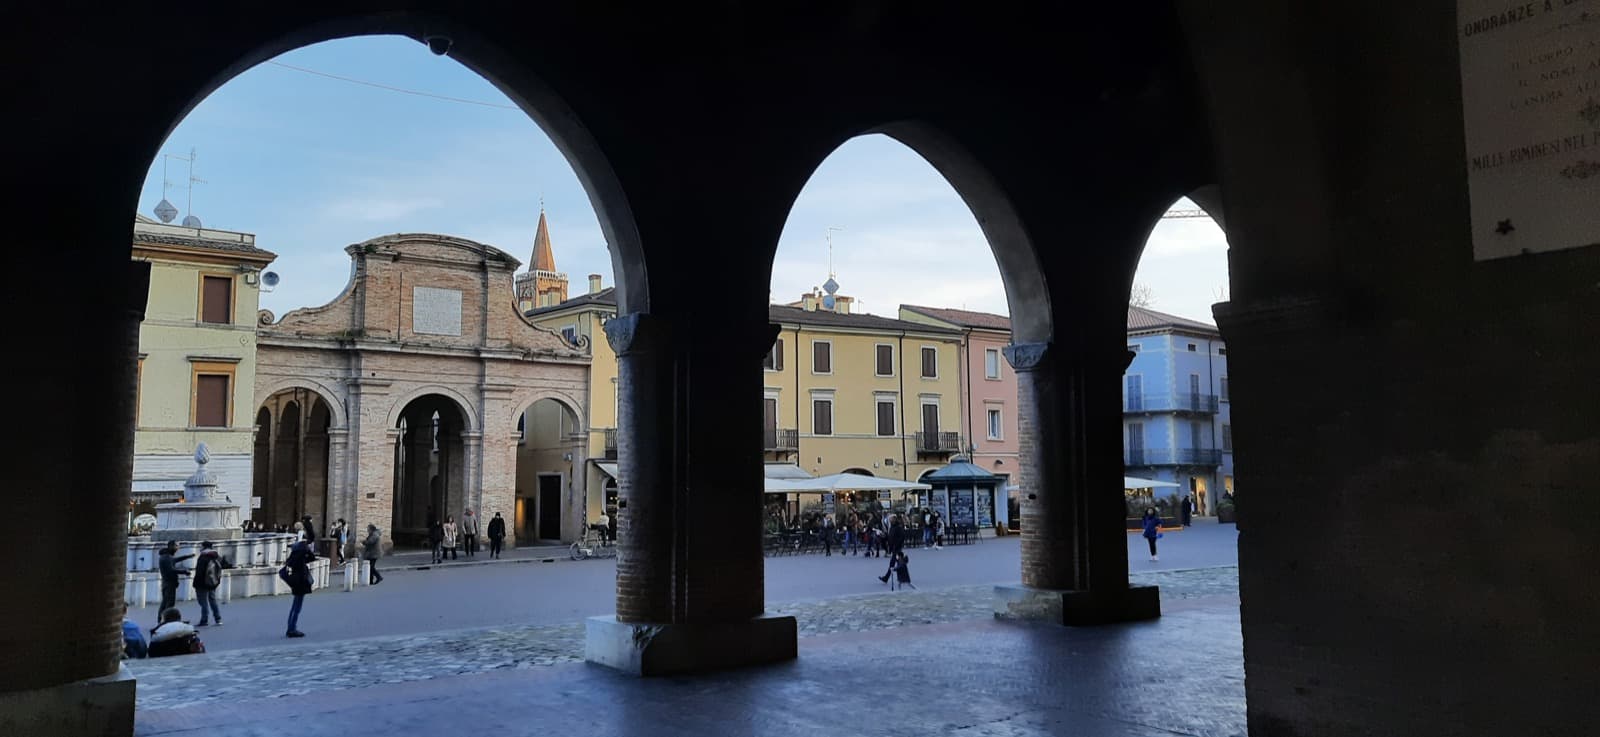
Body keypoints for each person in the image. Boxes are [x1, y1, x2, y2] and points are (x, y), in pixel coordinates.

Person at [191, 540, 233, 627]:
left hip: (202, 583)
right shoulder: (215, 556)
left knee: (203, 603)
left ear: (204, 547)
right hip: (212, 582)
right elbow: (225, 565)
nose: (200, 548)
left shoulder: (203, 557)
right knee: (213, 601)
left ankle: (204, 620)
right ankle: (218, 619)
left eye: (201, 546)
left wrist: (195, 584)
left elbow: (199, 572)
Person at [283, 536, 316, 638]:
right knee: (297, 607)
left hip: (296, 583)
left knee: (294, 607)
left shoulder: (294, 557)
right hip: (301, 583)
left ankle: (290, 627)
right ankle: (292, 629)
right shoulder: (301, 557)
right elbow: (312, 557)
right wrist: (308, 549)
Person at [155, 541, 195, 624]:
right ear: (171, 546)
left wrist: (188, 556)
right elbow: (171, 570)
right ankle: (167, 621)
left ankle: (162, 620)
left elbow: (175, 560)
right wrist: (184, 571)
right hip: (169, 583)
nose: (178, 548)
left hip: (167, 583)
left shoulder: (166, 556)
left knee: (165, 602)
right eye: (176, 546)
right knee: (169, 603)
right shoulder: (166, 558)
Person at [878, 514, 906, 582]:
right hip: (894, 548)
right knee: (899, 563)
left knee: (893, 564)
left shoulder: (898, 527)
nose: (889, 520)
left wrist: (897, 544)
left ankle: (886, 578)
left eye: (891, 519)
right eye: (889, 519)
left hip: (897, 548)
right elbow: (890, 537)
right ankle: (903, 577)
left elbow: (902, 537)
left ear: (894, 519)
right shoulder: (892, 527)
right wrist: (884, 536)